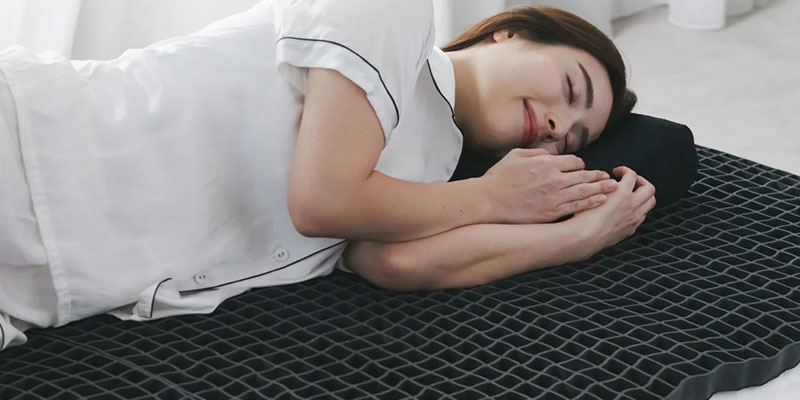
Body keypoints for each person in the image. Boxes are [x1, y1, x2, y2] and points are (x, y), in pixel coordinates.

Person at [0, 0, 654, 351]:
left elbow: (390, 262)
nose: (556, 126)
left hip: (44, 288)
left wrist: (579, 237)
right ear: (509, 33)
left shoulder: (436, 178)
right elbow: (324, 201)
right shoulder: (390, 14)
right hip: (33, 151)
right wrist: (494, 196)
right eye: (571, 89)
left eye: (572, 139)